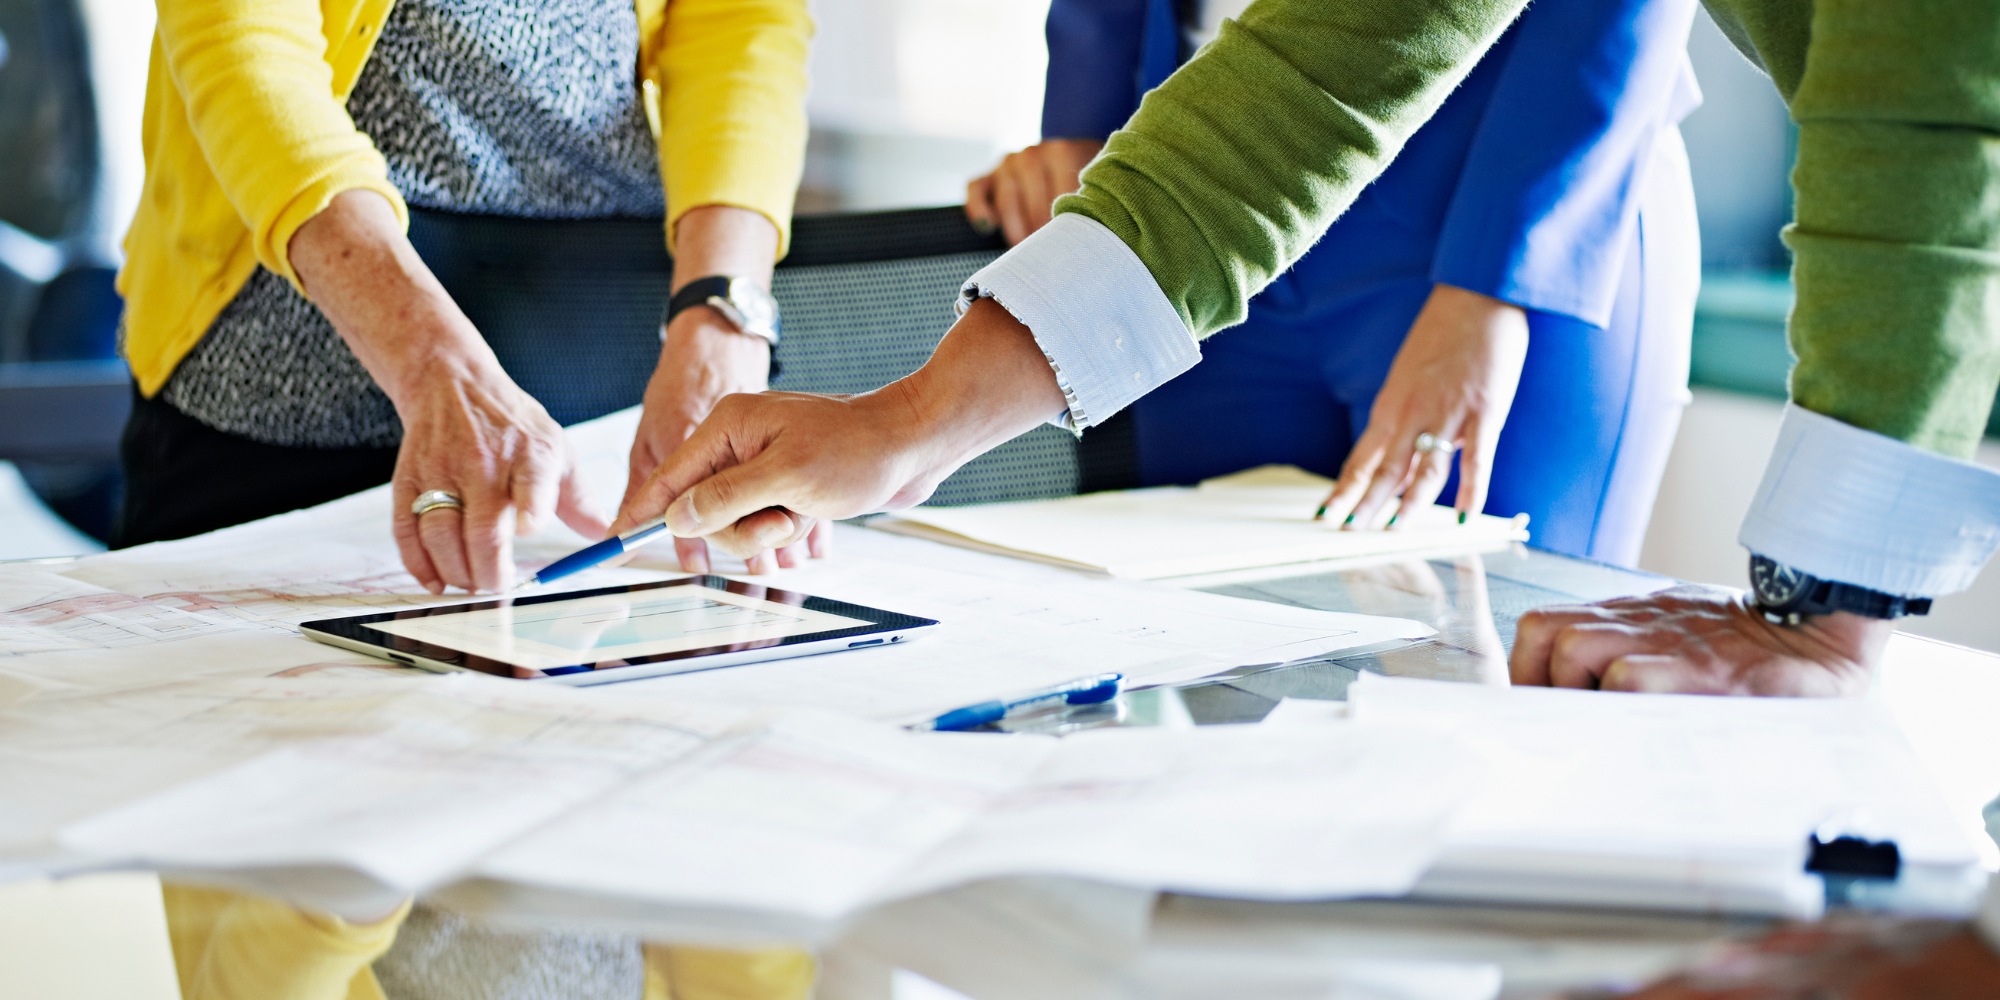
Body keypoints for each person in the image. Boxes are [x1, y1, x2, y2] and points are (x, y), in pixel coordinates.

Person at [118, 0, 819, 996]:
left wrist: (721, 313)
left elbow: (743, 20)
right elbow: (240, 39)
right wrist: (427, 356)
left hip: (601, 376)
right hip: (270, 401)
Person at [966, 0, 1701, 565]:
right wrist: (1085, 125)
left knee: (1484, 658)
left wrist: (1495, 276)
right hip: (1210, 187)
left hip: (1507, 201)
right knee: (1221, 645)